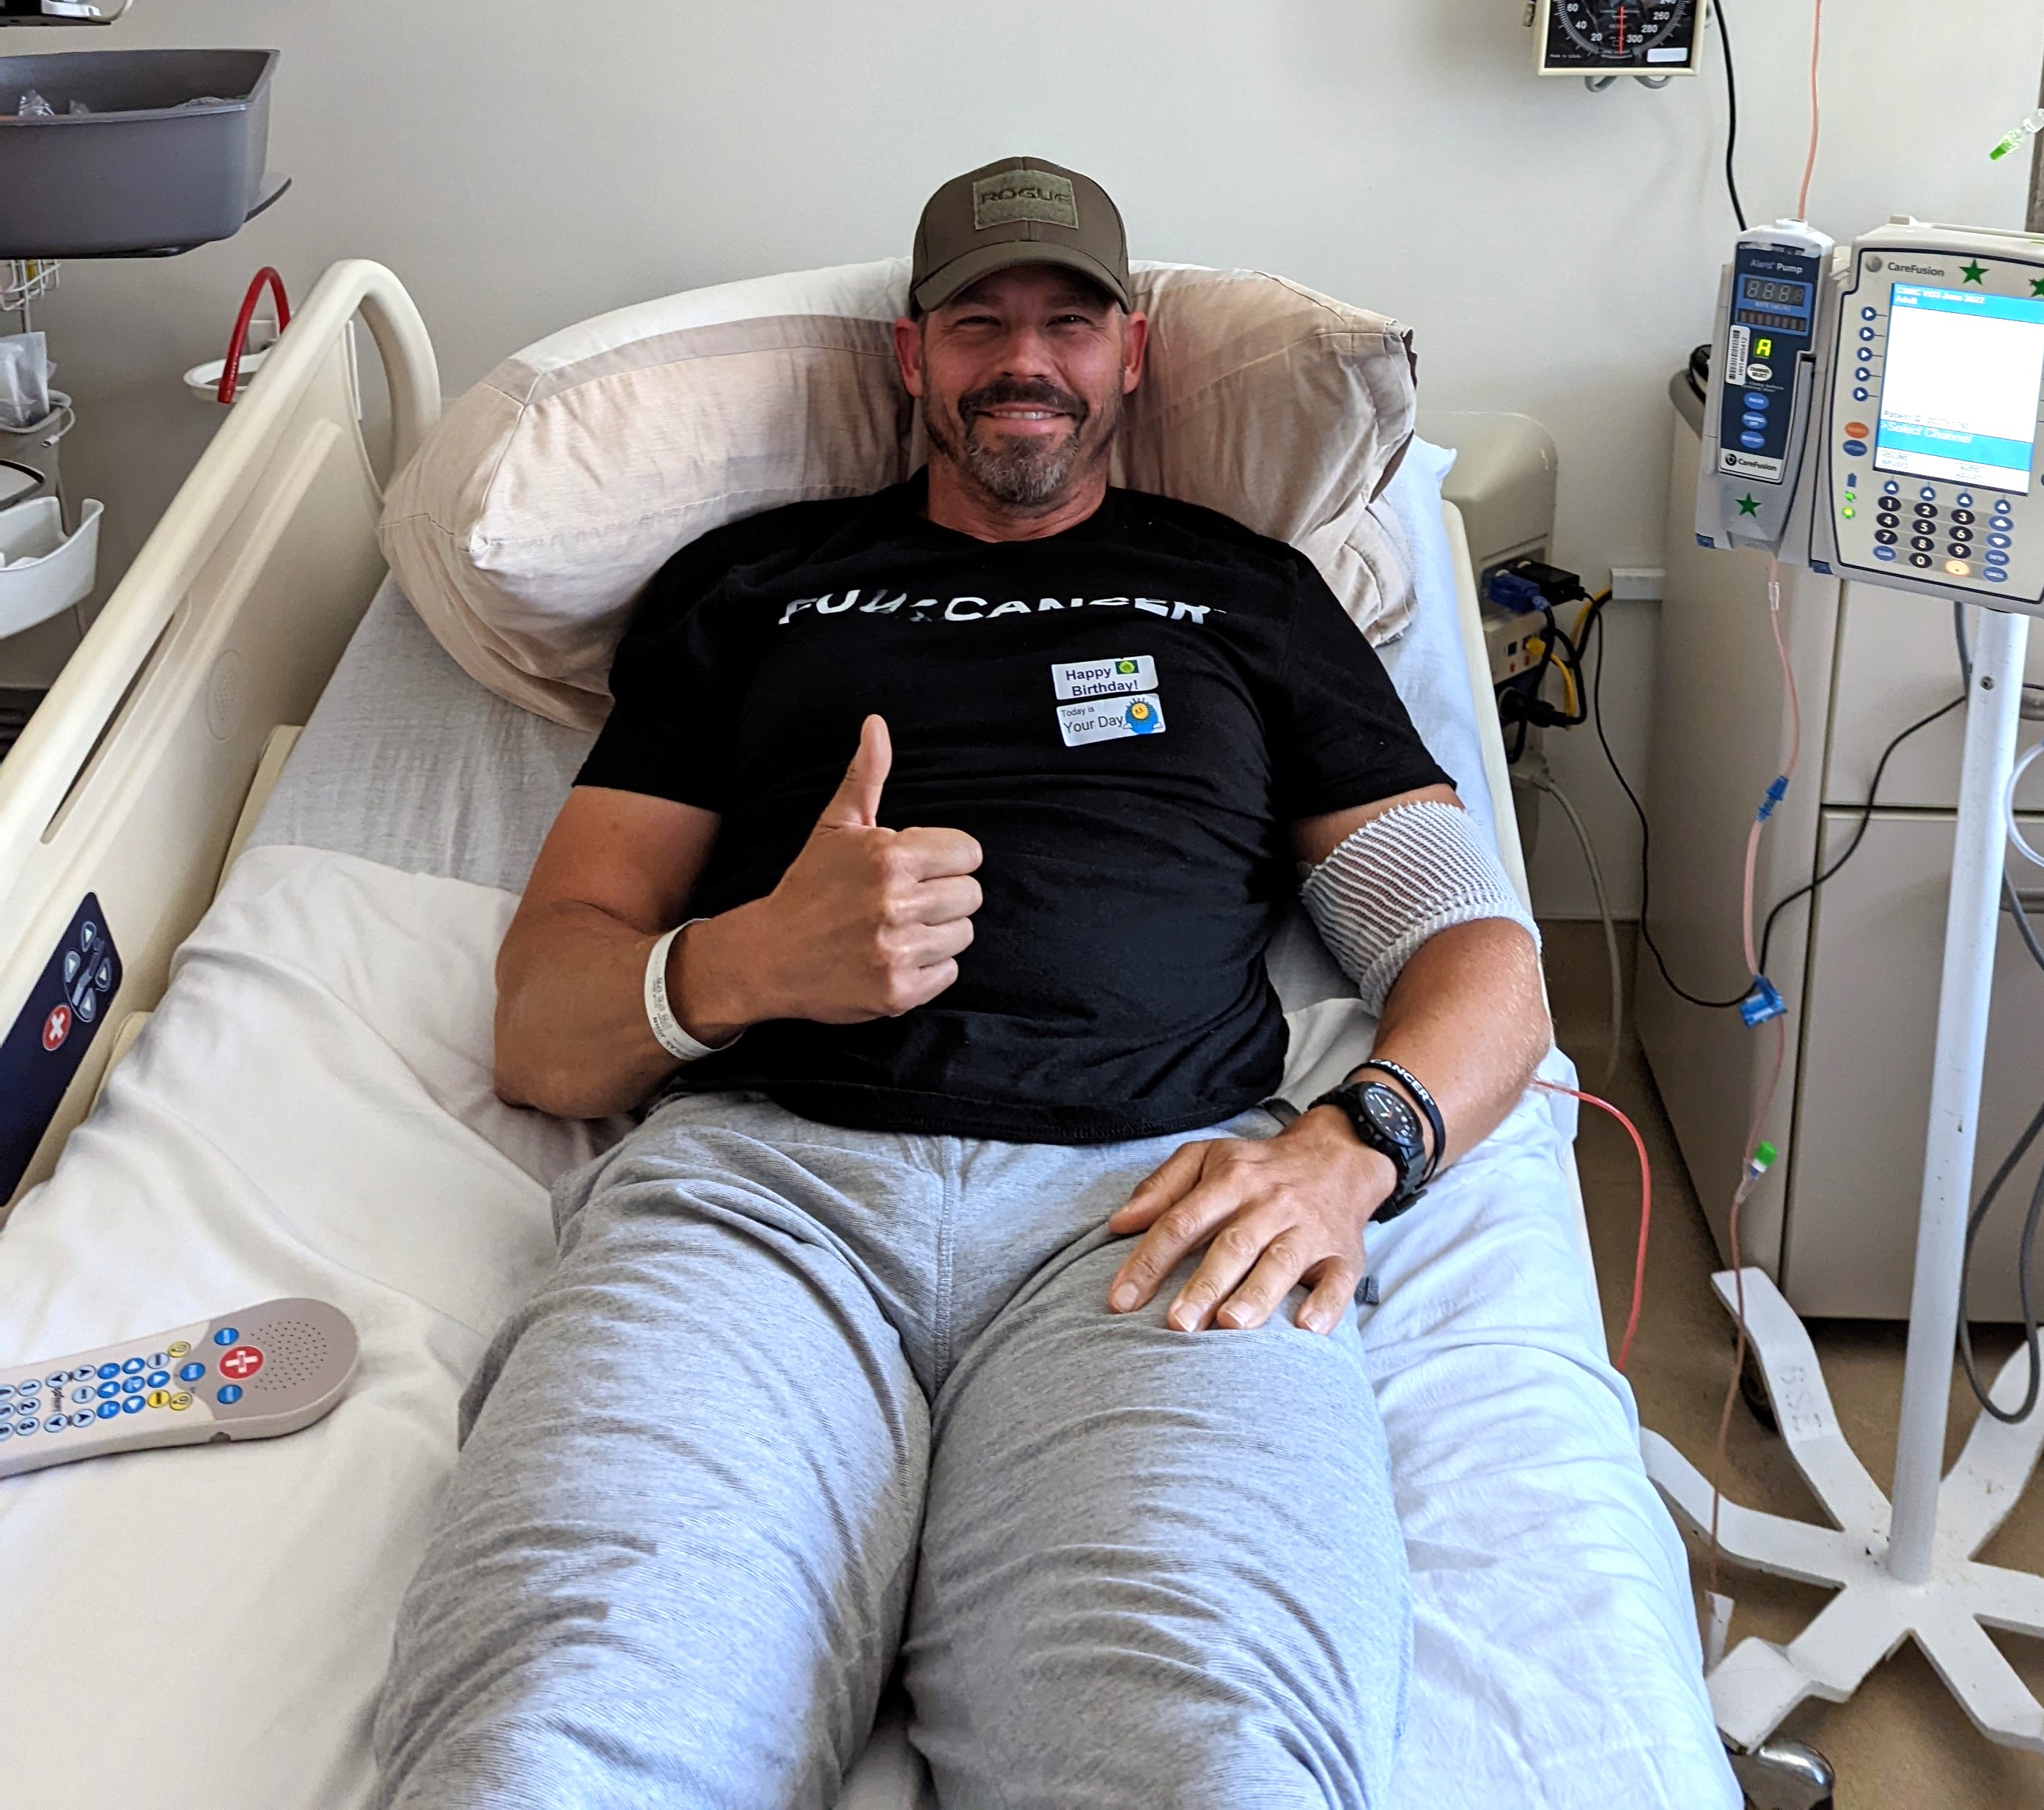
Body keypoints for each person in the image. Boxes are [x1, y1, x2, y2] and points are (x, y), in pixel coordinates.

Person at [373, 157, 1551, 1810]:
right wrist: (742, 959)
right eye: (977, 321)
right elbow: (545, 1023)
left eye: (1069, 320)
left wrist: (1350, 1150)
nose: (1026, 359)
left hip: (1162, 1201)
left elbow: (1472, 949)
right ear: (907, 361)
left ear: (1132, 355)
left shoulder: (1248, 591)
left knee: (1201, 1751)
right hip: (758, 1197)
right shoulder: (754, 587)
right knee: (551, 1738)